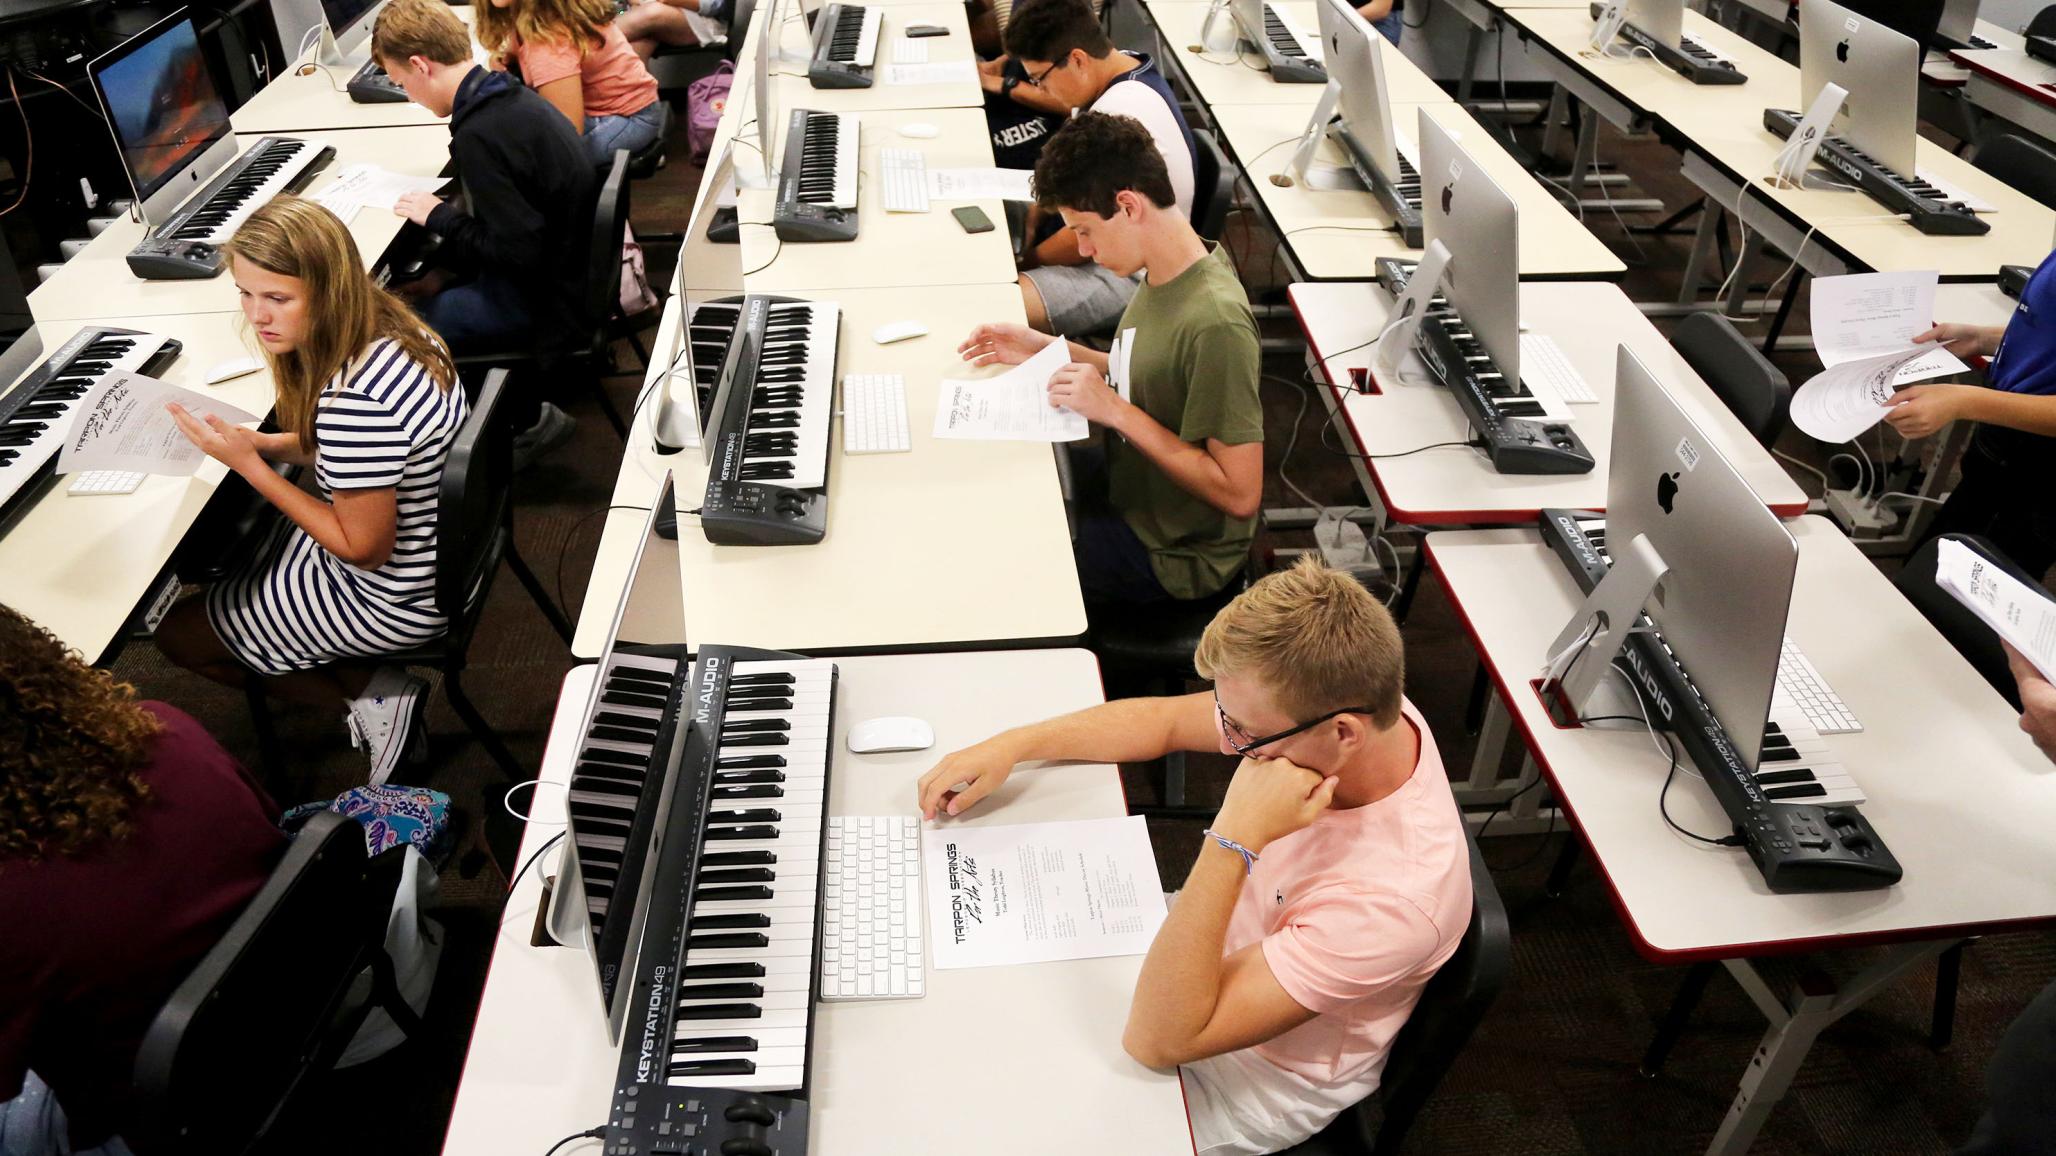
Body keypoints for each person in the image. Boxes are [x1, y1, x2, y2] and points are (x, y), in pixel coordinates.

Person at [915, 557, 1472, 1155]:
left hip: (1248, 1072)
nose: (1231, 744)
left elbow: (1159, 1040)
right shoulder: (1350, 705)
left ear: (1342, 734)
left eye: (1246, 734)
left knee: (998, 1124)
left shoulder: (1394, 902)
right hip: (1199, 943)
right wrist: (1013, 745)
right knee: (968, 1011)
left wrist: (1234, 838)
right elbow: (1161, 721)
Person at [153, 196, 469, 783]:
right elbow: (368, 458)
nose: (257, 316)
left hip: (396, 595)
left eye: (278, 298)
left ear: (328, 291)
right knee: (240, 567)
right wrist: (267, 444)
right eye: (246, 294)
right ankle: (353, 674)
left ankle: (375, 700)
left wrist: (252, 468)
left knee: (177, 635)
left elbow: (362, 549)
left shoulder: (356, 403)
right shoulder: (399, 332)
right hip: (437, 547)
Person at [0, 605, 284, 1156]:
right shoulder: (166, 726)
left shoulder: (12, 901)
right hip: (281, 1011)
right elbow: (272, 829)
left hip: (162, 1113)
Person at [959, 112, 1261, 606]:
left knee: (998, 565)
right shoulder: (1167, 268)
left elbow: (1240, 493)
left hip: (1173, 553)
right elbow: (1145, 368)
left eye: (1084, 230)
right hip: (1132, 486)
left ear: (1127, 206)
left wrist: (1115, 411)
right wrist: (1043, 349)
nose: (1082, 249)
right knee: (994, 493)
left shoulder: (1217, 323)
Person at [374, 0, 598, 462]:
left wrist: (439, 216)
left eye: (401, 83)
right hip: (570, 273)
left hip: (543, 301)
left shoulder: (480, 134)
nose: (409, 96)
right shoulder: (506, 96)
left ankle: (511, 430)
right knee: (421, 291)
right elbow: (513, 227)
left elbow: (518, 251)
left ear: (421, 65)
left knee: (393, 331)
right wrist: (444, 274)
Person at [999, 0, 1197, 336]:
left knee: (999, 304)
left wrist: (1024, 262)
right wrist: (1032, 220)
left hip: (1132, 274)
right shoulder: (1119, 68)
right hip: (1106, 245)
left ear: (1077, 59)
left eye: (1040, 79)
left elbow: (1083, 236)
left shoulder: (1119, 115)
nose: (1042, 90)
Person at [1889, 250, 2056, 577]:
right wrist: (1984, 338)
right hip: (2003, 446)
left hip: (2039, 473)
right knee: (1931, 565)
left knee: (1969, 589)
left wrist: (1964, 401)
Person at [472, 0, 666, 166]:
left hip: (629, 118)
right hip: (615, 108)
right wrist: (512, 58)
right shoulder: (534, 15)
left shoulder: (550, 38)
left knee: (522, 163)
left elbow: (566, 136)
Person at [616, 0, 728, 59]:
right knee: (631, 54)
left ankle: (605, 35)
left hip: (702, 19)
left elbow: (718, 6)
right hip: (643, 15)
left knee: (653, 12)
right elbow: (618, 7)